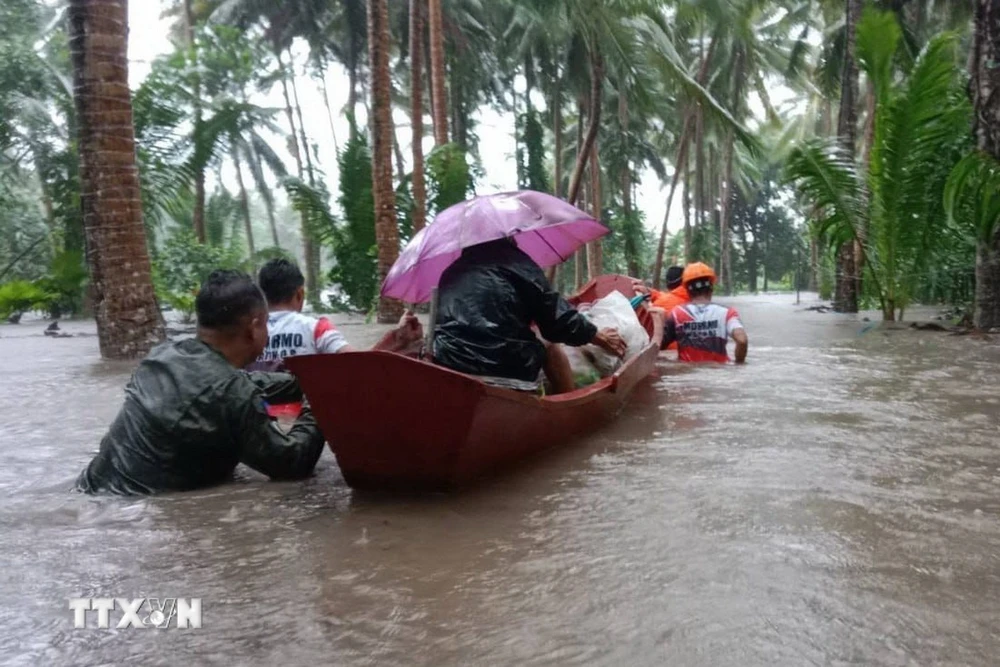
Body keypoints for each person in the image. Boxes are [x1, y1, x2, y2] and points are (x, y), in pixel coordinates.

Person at [76, 270, 328, 495]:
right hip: (131, 509)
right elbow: (292, 463)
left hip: (92, 490)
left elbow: (240, 383)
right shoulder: (232, 393)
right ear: (254, 327)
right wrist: (320, 403)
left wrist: (308, 379)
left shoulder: (163, 356)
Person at [432, 237, 627, 394]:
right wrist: (598, 336)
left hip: (450, 368)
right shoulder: (517, 264)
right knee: (548, 343)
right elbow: (559, 323)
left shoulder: (450, 273)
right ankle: (566, 405)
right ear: (506, 237)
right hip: (508, 372)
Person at [254, 258, 422, 365]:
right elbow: (360, 362)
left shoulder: (249, 333)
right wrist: (398, 336)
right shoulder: (316, 328)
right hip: (309, 414)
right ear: (299, 293)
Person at [662, 262, 748, 364]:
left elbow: (660, 345)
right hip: (720, 374)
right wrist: (739, 363)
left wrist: (659, 320)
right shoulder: (727, 313)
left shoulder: (676, 313)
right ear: (711, 288)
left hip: (687, 374)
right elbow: (742, 341)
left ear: (687, 291)